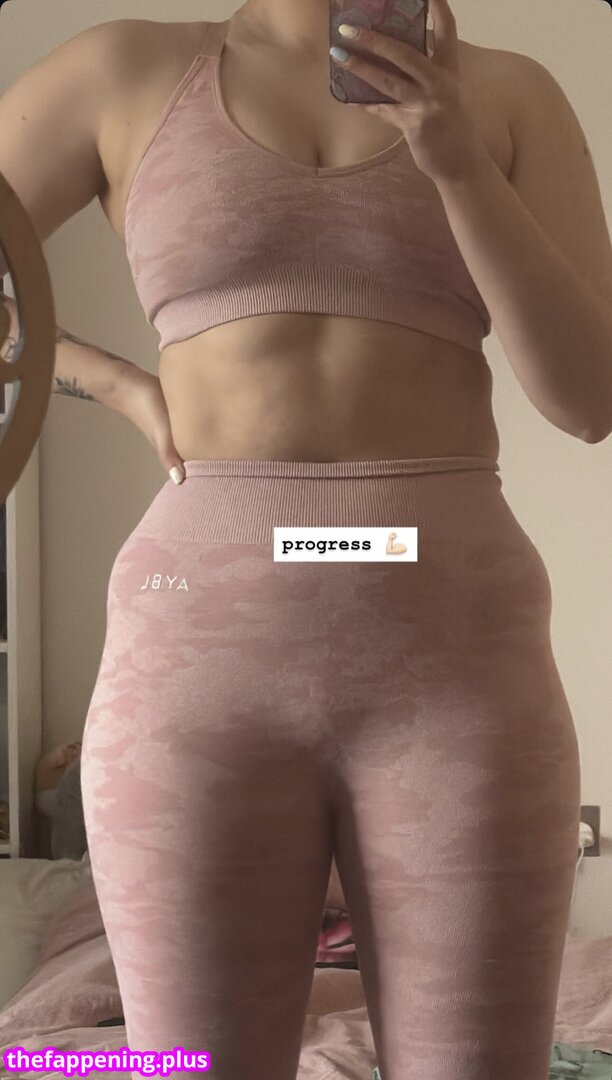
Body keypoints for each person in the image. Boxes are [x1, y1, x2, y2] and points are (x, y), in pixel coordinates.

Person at [1, 0, 612, 1076]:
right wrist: (110, 381)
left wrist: (459, 163)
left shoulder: (508, 94)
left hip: (457, 665)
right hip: (199, 656)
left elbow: (590, 398)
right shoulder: (124, 69)